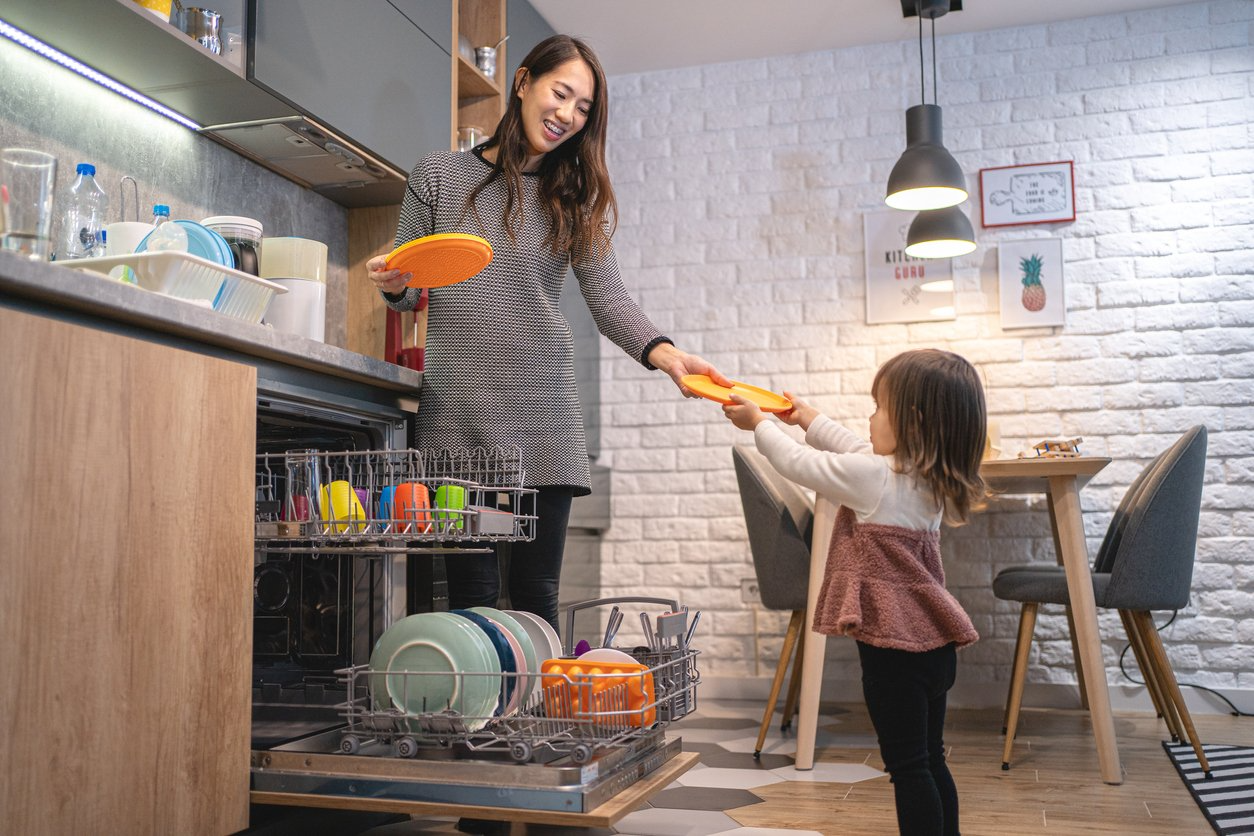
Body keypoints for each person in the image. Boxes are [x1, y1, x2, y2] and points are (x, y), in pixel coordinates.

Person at [367, 34, 727, 633]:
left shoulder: (575, 197)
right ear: (523, 82)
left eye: (584, 109)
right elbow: (410, 286)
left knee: (536, 595)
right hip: (461, 411)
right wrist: (391, 282)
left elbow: (606, 298)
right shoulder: (437, 176)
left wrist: (666, 355)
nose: (568, 115)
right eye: (561, 94)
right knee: (471, 592)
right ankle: (474, 725)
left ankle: (533, 722)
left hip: (544, 410)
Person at [722, 348, 986, 836]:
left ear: (912, 420)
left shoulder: (875, 479)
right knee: (931, 760)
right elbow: (850, 447)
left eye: (879, 407)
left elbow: (803, 464)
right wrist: (807, 416)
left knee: (907, 770)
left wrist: (760, 425)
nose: (870, 417)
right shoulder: (926, 478)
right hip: (934, 647)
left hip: (893, 654)